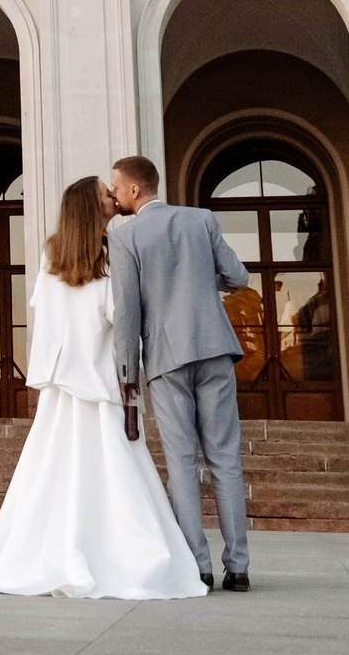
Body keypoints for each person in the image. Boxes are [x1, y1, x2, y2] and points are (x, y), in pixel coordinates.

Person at [0, 175, 208, 601]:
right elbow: (117, 314)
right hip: (100, 378)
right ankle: (123, 555)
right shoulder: (112, 253)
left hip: (61, 380)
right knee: (115, 469)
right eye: (106, 195)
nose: (113, 197)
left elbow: (43, 309)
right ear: (93, 209)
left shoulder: (52, 253)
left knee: (53, 467)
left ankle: (48, 551)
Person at [108, 153, 253, 591]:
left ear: (135, 190)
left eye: (116, 186)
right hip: (214, 348)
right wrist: (206, 284)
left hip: (166, 359)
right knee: (225, 457)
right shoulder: (202, 220)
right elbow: (239, 277)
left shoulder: (125, 237)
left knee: (182, 462)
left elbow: (127, 312)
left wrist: (126, 371)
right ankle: (240, 567)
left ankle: (199, 566)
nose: (113, 194)